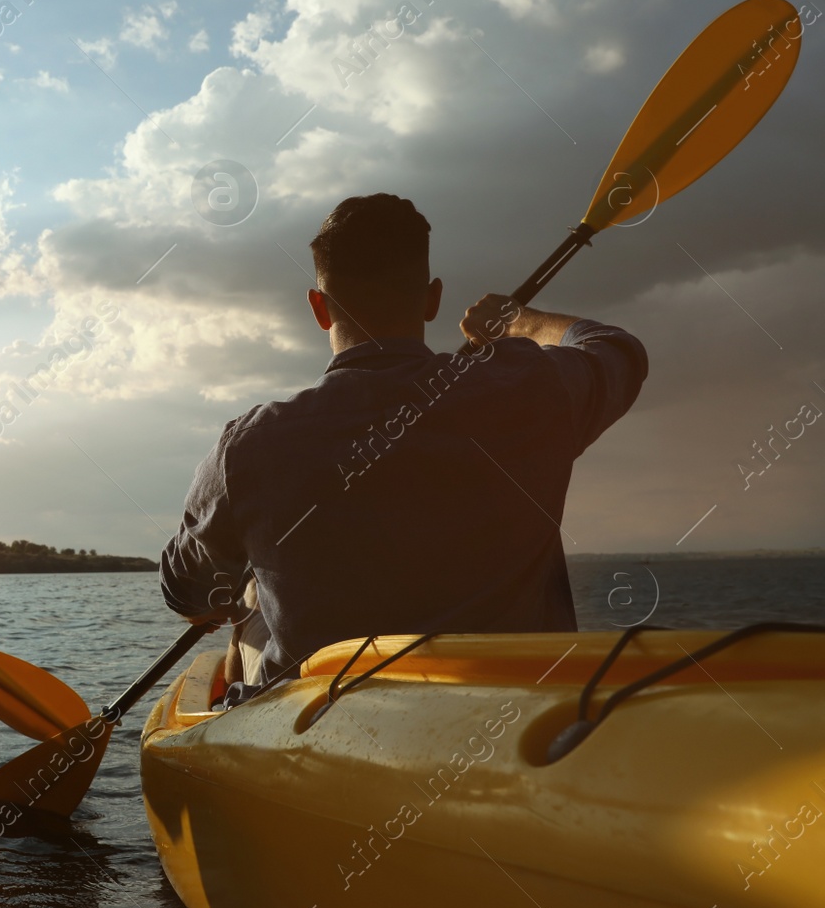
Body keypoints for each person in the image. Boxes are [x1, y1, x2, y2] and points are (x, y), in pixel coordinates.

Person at [160, 193, 648, 696]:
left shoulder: (247, 448)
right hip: (508, 717)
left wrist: (247, 584)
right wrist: (517, 321)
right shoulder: (526, 389)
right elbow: (618, 350)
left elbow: (188, 595)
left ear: (319, 308)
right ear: (433, 298)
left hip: (319, 731)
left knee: (248, 603)